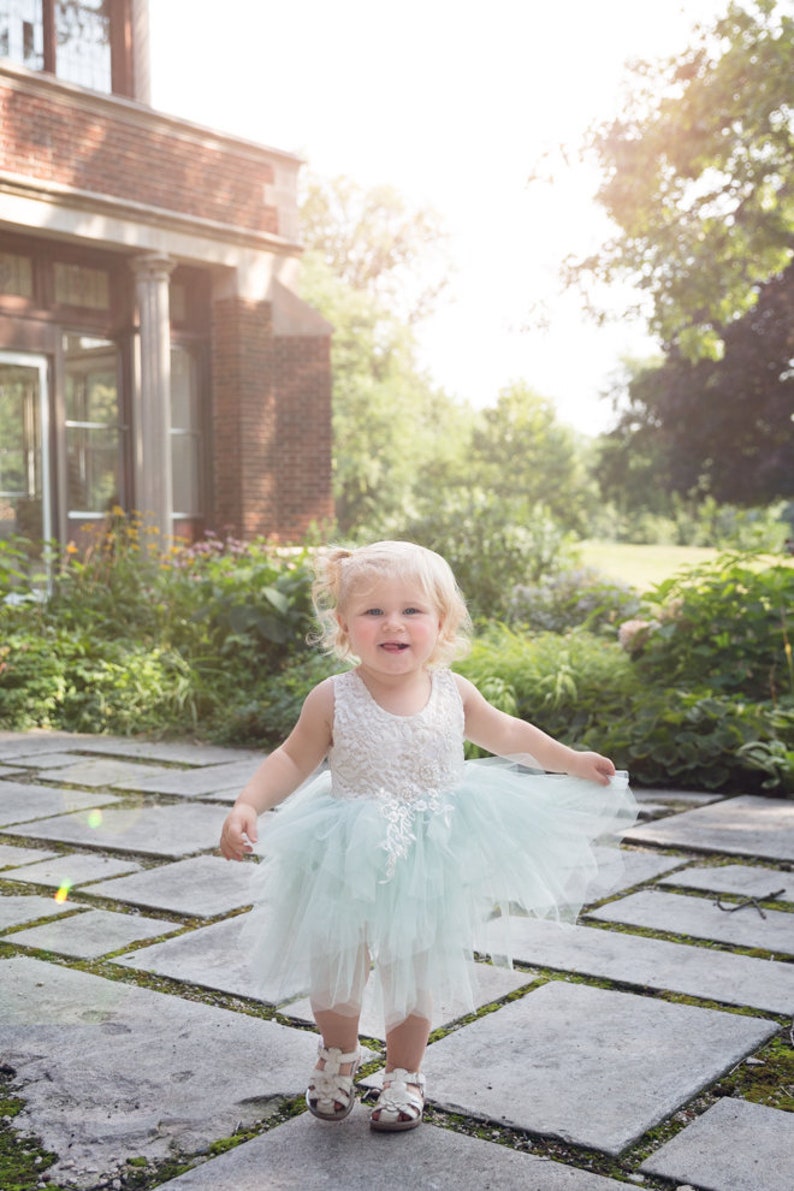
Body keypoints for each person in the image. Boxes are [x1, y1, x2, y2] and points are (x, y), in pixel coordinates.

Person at [220, 540, 637, 1133]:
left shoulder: (453, 692)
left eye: (411, 610)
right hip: (345, 854)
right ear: (344, 626)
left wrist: (568, 760)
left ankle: (404, 1073)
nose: (393, 623)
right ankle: (338, 1054)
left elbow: (510, 733)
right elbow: (292, 758)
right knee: (336, 966)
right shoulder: (332, 698)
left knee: (414, 971)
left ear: (441, 624)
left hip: (429, 854)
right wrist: (248, 802)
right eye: (372, 612)